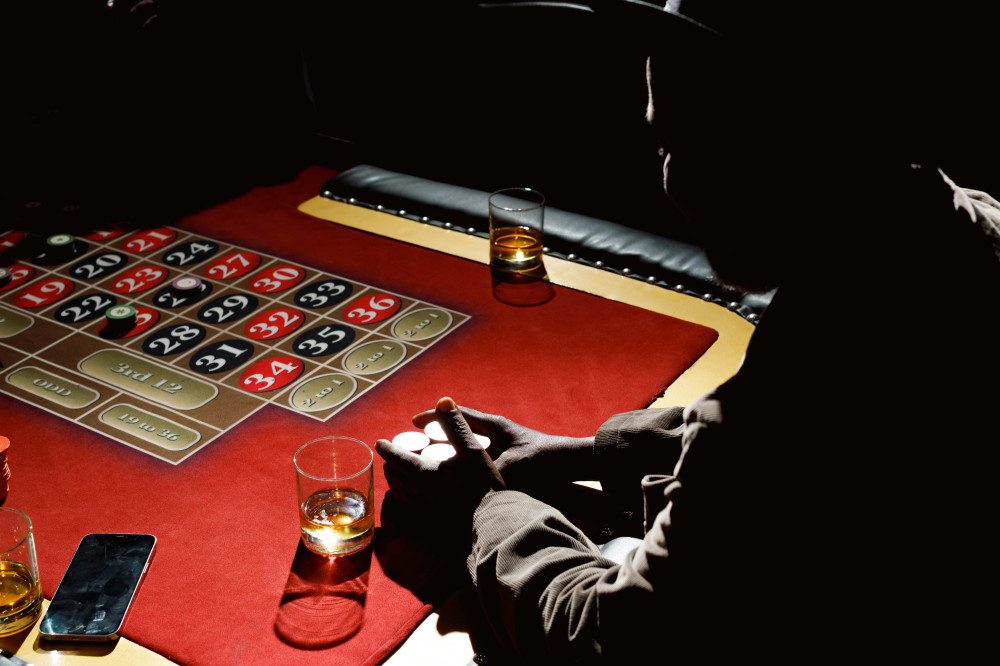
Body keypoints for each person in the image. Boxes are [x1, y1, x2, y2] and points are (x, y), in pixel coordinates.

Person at [376, 1, 1000, 662]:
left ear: (835, 135)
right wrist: (584, 453)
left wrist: (482, 506)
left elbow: (607, 643)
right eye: (666, 144)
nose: (676, 182)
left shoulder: (806, 387)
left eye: (725, 144)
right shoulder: (955, 231)